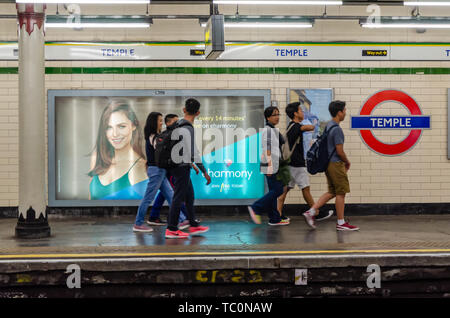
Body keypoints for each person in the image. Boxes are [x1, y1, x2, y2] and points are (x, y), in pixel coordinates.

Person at [302, 100, 359, 231]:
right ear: (339, 112)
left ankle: (311, 211)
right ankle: (341, 222)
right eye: (344, 110)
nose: (345, 113)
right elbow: (339, 151)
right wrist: (347, 161)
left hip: (327, 164)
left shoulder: (328, 126)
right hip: (335, 164)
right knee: (341, 192)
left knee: (332, 191)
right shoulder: (337, 129)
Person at [277, 102, 334, 222]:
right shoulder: (296, 126)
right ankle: (315, 212)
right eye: (301, 111)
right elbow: (310, 127)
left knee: (284, 191)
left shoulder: (290, 127)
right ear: (295, 113)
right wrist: (310, 120)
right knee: (305, 189)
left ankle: (277, 215)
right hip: (297, 164)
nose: (302, 112)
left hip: (289, 164)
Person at [165, 98, 211, 239]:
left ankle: (193, 225)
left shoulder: (177, 124)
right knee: (178, 197)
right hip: (181, 167)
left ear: (184, 110)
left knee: (189, 196)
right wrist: (204, 171)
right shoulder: (188, 128)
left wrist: (192, 165)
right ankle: (171, 228)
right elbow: (193, 152)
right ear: (198, 113)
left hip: (177, 165)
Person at [88, 100, 147, 200]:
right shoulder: (97, 158)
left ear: (133, 126)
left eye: (121, 126)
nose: (115, 134)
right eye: (109, 127)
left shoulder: (142, 167)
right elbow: (90, 200)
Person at [147, 114, 196, 230]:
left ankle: (156, 216)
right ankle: (184, 219)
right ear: (168, 123)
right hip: (170, 168)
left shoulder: (169, 135)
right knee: (175, 194)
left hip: (170, 168)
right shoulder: (165, 136)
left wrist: (191, 163)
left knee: (168, 193)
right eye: (175, 122)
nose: (177, 124)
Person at [132, 112, 178, 232]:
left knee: (171, 196)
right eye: (160, 121)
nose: (162, 123)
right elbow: (160, 153)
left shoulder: (155, 136)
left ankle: (182, 220)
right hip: (157, 171)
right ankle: (138, 223)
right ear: (154, 122)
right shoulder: (154, 137)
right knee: (148, 198)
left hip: (159, 170)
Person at [247, 106, 290, 226]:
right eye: (274, 115)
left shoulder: (272, 129)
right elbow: (267, 149)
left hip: (274, 164)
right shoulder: (268, 130)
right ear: (267, 117)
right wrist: (270, 165)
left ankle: (274, 218)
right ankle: (256, 207)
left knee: (274, 190)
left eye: (278, 114)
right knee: (278, 190)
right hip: (271, 164)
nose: (277, 117)